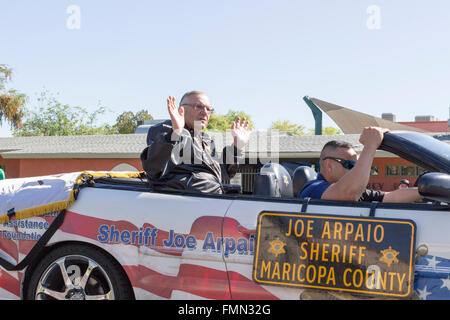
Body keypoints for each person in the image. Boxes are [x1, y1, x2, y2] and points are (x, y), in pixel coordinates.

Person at [140, 91, 252, 194]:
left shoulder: (206, 140)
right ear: (181, 110)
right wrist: (175, 133)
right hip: (184, 204)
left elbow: (223, 174)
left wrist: (237, 147)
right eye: (199, 107)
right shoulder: (165, 129)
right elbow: (153, 167)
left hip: (213, 200)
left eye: (209, 109)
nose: (205, 112)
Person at [298, 126, 422, 203]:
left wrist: (427, 191)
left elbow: (393, 197)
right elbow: (349, 193)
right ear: (329, 165)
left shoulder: (356, 192)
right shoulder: (313, 189)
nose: (356, 170)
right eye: (350, 165)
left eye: (357, 165)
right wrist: (370, 145)